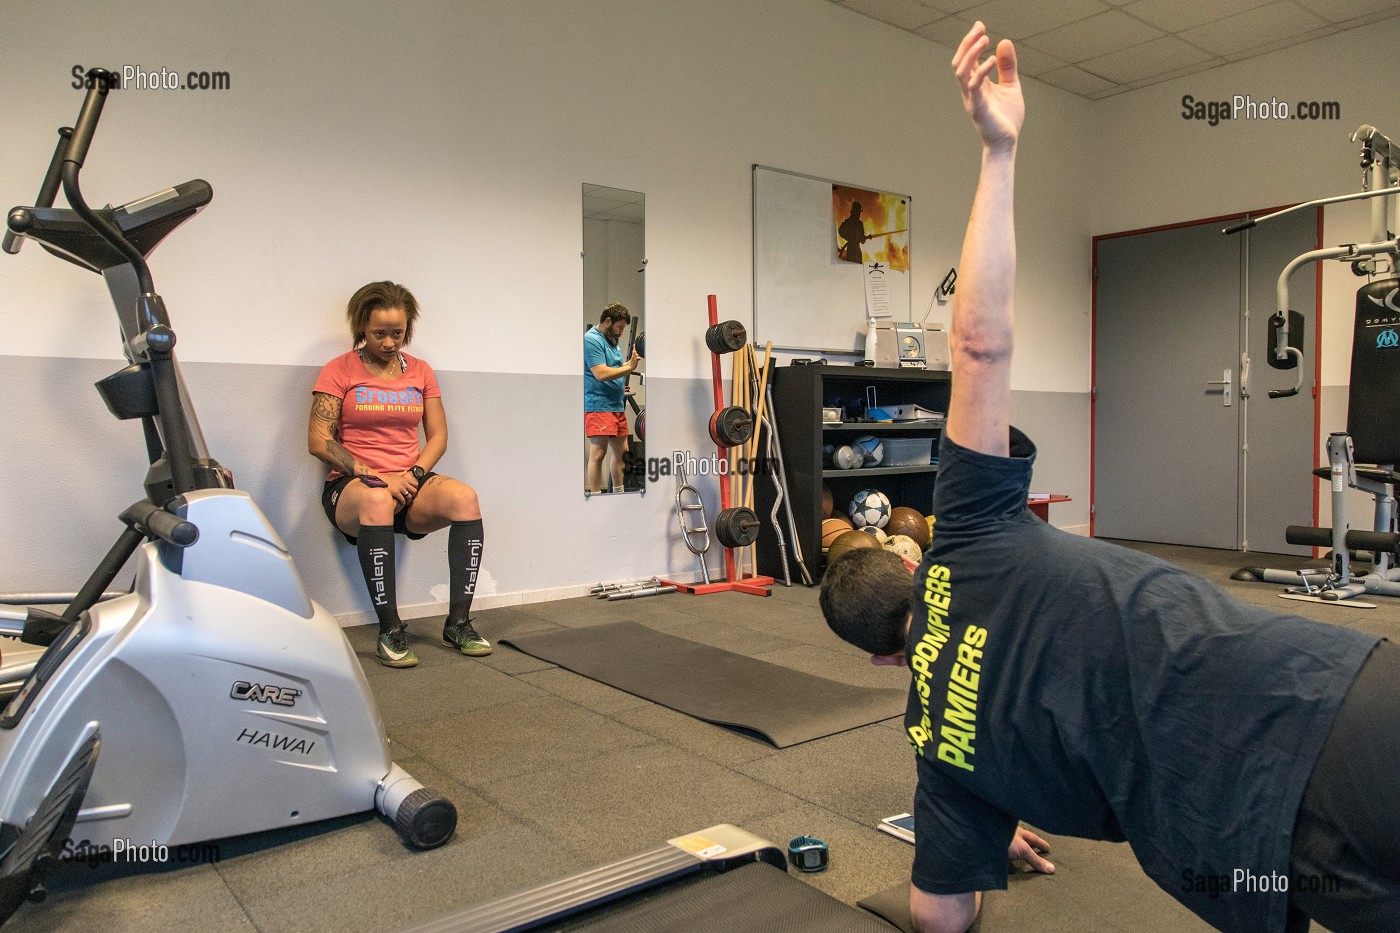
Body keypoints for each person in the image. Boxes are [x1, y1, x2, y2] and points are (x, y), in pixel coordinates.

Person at [819, 22, 1397, 933]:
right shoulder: (969, 531)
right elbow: (977, 345)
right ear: (910, 554)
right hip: (1334, 688)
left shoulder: (940, 750)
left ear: (885, 659)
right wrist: (998, 151)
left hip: (1268, 842)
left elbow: (940, 915)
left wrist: (980, 807)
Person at [308, 281, 489, 668]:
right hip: (354, 486)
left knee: (466, 498)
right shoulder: (339, 370)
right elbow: (319, 441)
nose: (390, 342)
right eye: (379, 334)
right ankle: (390, 630)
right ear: (361, 328)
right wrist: (378, 478)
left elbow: (438, 436)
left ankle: (458, 623)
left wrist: (414, 473)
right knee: (376, 499)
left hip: (410, 479)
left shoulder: (420, 371)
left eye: (398, 333)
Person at [584, 302, 641, 494]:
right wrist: (629, 367)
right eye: (619, 327)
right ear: (608, 321)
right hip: (599, 405)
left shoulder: (612, 341)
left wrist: (626, 368)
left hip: (616, 405)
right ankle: (595, 496)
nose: (621, 332)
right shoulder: (591, 339)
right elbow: (600, 373)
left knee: (622, 453)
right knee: (599, 454)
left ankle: (619, 493)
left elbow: (614, 368)